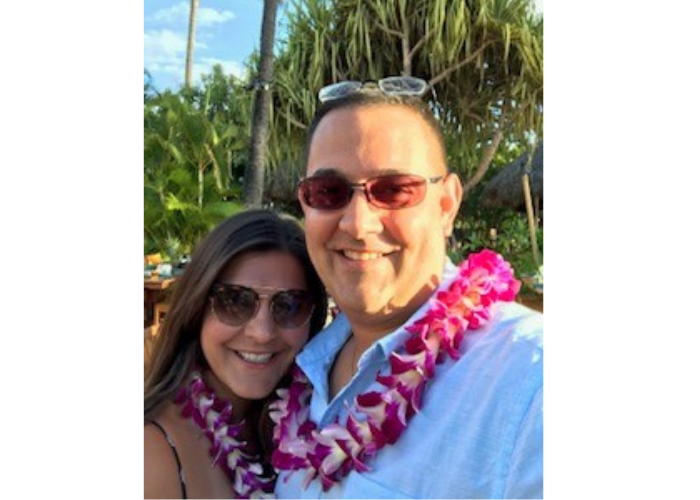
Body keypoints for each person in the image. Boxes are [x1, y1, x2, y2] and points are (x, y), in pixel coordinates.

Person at [271, 77, 543, 499]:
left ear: (446, 205)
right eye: (328, 192)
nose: (358, 224)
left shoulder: (529, 379)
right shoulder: (295, 370)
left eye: (394, 190)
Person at [144, 209, 328, 499]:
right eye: (235, 301)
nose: (262, 332)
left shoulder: (314, 423)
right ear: (197, 308)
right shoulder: (151, 453)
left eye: (290, 305)